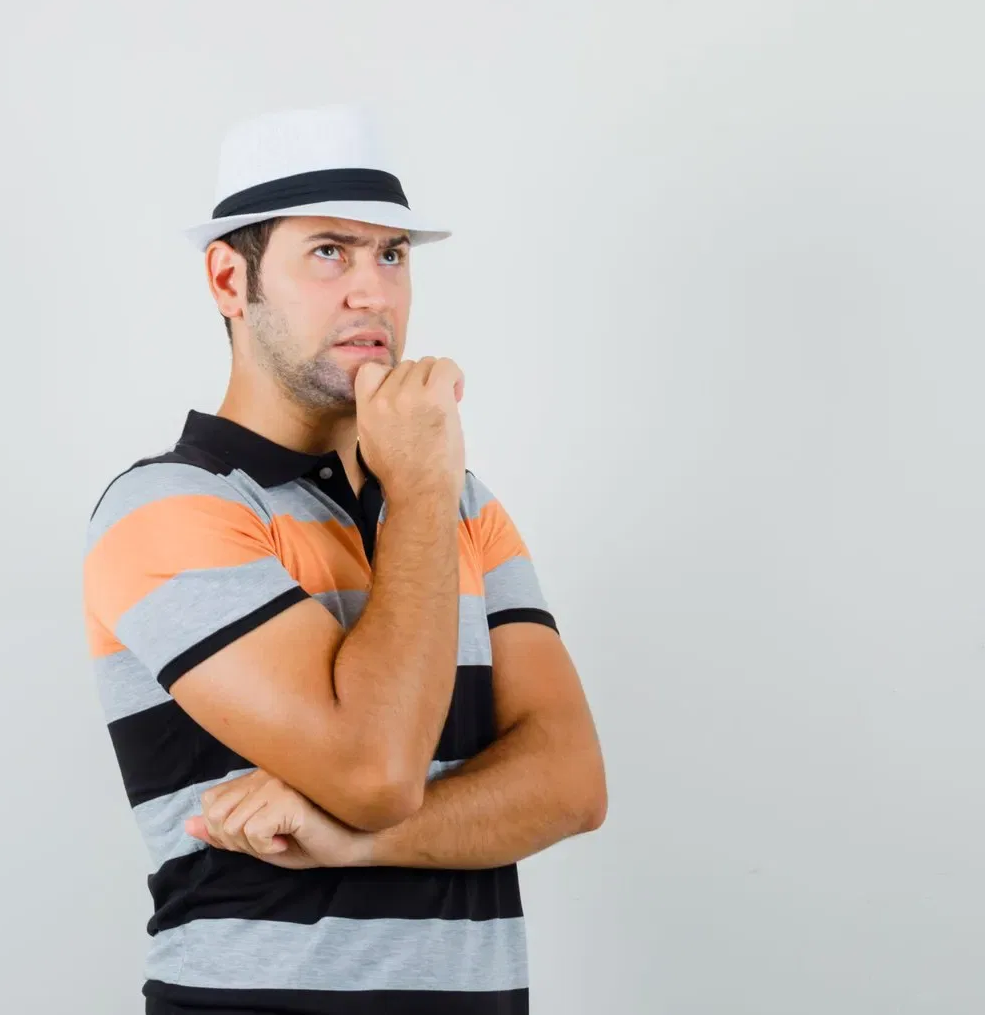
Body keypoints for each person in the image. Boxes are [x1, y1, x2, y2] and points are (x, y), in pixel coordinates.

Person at [82, 104, 607, 1015]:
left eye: (392, 255)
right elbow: (375, 769)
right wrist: (418, 490)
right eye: (330, 251)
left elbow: (570, 782)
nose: (374, 291)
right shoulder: (166, 507)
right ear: (227, 279)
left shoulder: (458, 499)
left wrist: (354, 839)